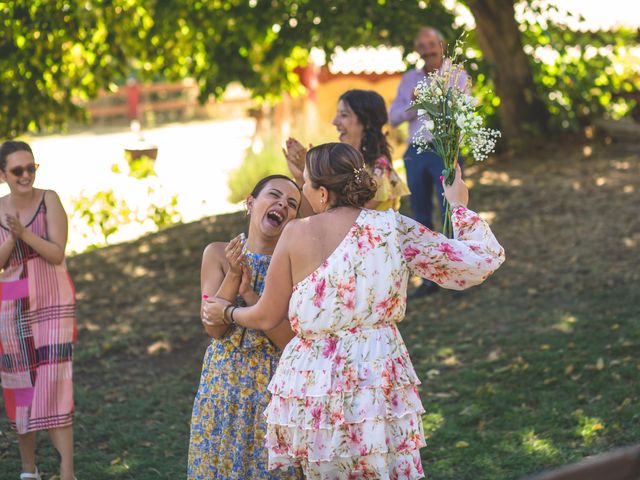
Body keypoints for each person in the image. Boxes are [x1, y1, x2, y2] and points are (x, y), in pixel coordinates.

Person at [203, 143, 505, 478]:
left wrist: (228, 313)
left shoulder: (297, 232)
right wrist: (459, 205)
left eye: (304, 183)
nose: (302, 192)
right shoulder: (392, 227)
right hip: (378, 374)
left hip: (315, 383)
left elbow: (265, 315)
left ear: (320, 193)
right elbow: (478, 261)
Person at [188, 175, 304, 479]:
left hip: (276, 384)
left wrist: (251, 295)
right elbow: (214, 329)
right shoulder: (217, 253)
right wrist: (234, 273)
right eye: (274, 195)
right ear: (251, 203)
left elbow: (288, 341)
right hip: (224, 384)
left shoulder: (297, 265)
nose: (282, 204)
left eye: (292, 204)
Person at [0, 141, 76, 480]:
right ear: (3, 174)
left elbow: (56, 253)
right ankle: (28, 469)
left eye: (31, 168)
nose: (26, 175)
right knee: (21, 385)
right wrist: (12, 239)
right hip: (12, 300)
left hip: (53, 300)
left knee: (55, 382)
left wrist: (24, 233)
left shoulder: (50, 200)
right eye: (18, 170)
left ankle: (66, 471)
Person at [389, 26, 470, 298]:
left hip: (444, 149)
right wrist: (413, 104)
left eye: (431, 44)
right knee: (420, 215)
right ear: (418, 50)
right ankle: (429, 279)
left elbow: (465, 110)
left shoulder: (456, 74)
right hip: (415, 151)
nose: (428, 49)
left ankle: (459, 274)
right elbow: (394, 117)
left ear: (441, 44)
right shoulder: (409, 78)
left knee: (452, 212)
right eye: (422, 45)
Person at [284, 89, 409, 212]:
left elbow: (347, 216)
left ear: (367, 122)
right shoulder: (342, 163)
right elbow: (315, 217)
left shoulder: (380, 168)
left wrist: (314, 172)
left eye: (343, 115)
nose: (335, 122)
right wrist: (303, 175)